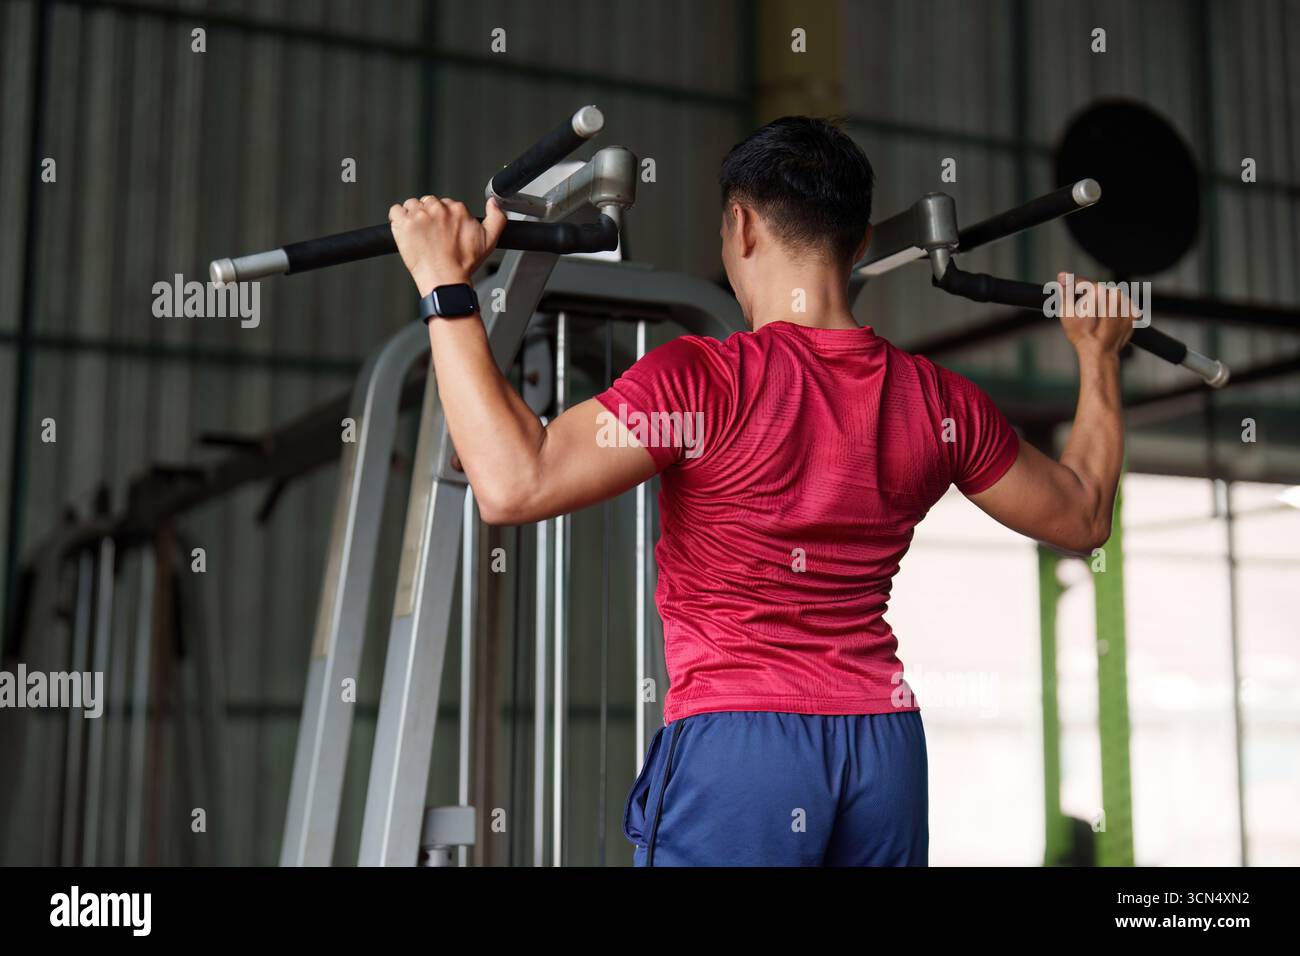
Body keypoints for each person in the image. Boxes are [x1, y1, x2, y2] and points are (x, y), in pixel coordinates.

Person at [387, 116, 1134, 867]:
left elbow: (514, 484)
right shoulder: (942, 403)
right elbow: (1083, 514)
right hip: (884, 748)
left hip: (743, 747)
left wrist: (444, 283)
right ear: (862, 244)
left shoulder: (701, 383)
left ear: (741, 227)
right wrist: (1097, 356)